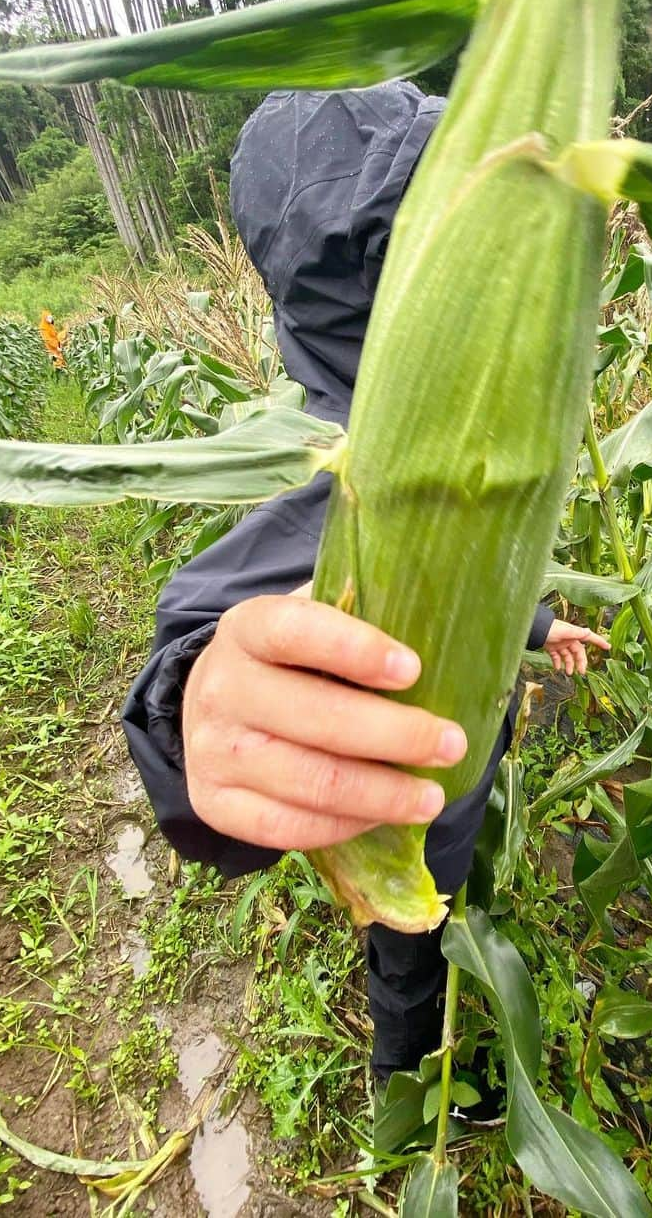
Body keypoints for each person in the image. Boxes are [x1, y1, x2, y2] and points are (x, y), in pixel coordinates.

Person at [122, 81, 609, 1083]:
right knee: (409, 953)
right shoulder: (352, 473)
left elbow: (473, 584)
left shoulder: (478, 442)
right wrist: (195, 715)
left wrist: (539, 623)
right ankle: (404, 1083)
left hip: (457, 775)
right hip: (403, 832)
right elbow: (209, 646)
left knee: (450, 894)